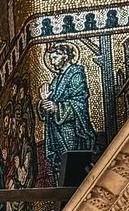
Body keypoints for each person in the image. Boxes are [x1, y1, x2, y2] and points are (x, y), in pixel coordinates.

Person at [40, 42, 96, 179]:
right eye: (51, 59)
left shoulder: (76, 74)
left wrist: (57, 108)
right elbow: (50, 103)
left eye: (55, 58)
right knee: (61, 166)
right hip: (56, 131)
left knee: (72, 163)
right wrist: (44, 103)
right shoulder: (56, 80)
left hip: (71, 130)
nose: (52, 63)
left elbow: (79, 101)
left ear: (64, 56)